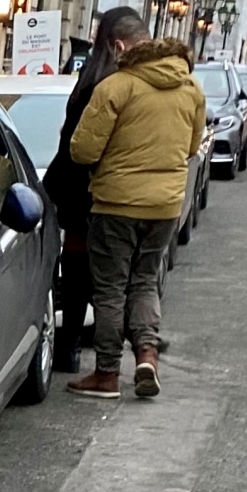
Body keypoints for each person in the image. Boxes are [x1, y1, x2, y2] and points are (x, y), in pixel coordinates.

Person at [64, 21, 204, 399]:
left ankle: (107, 373)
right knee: (144, 281)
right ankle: (147, 354)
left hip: (116, 204)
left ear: (122, 50)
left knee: (110, 289)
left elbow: (83, 151)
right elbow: (192, 147)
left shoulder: (116, 87)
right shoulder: (191, 89)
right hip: (165, 205)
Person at [42, 7, 146, 370]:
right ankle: (127, 351)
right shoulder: (123, 85)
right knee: (118, 279)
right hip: (117, 195)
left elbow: (75, 147)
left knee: (76, 273)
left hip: (81, 194)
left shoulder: (93, 81)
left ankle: (71, 347)